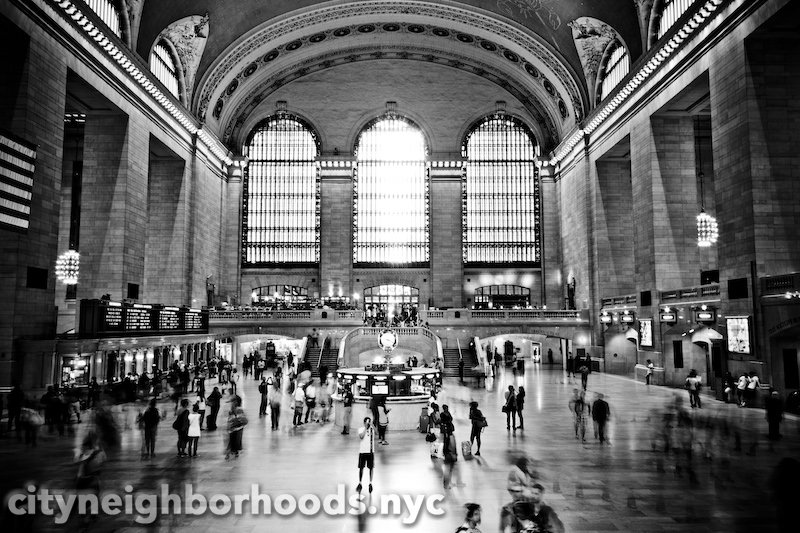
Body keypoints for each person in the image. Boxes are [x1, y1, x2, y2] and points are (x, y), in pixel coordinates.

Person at [356, 417, 376, 493]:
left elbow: (377, 432)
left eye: (368, 422)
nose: (368, 424)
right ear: (364, 422)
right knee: (361, 468)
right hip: (362, 452)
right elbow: (361, 436)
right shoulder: (361, 429)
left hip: (370, 452)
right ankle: (360, 483)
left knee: (371, 468)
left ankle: (370, 483)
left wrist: (372, 425)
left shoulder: (372, 429)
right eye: (367, 422)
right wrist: (365, 428)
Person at [442, 422, 461, 489]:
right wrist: (454, 454)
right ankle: (447, 484)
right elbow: (453, 446)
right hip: (450, 454)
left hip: (446, 453)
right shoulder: (451, 436)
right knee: (449, 470)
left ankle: (446, 483)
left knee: (447, 469)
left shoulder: (446, 435)